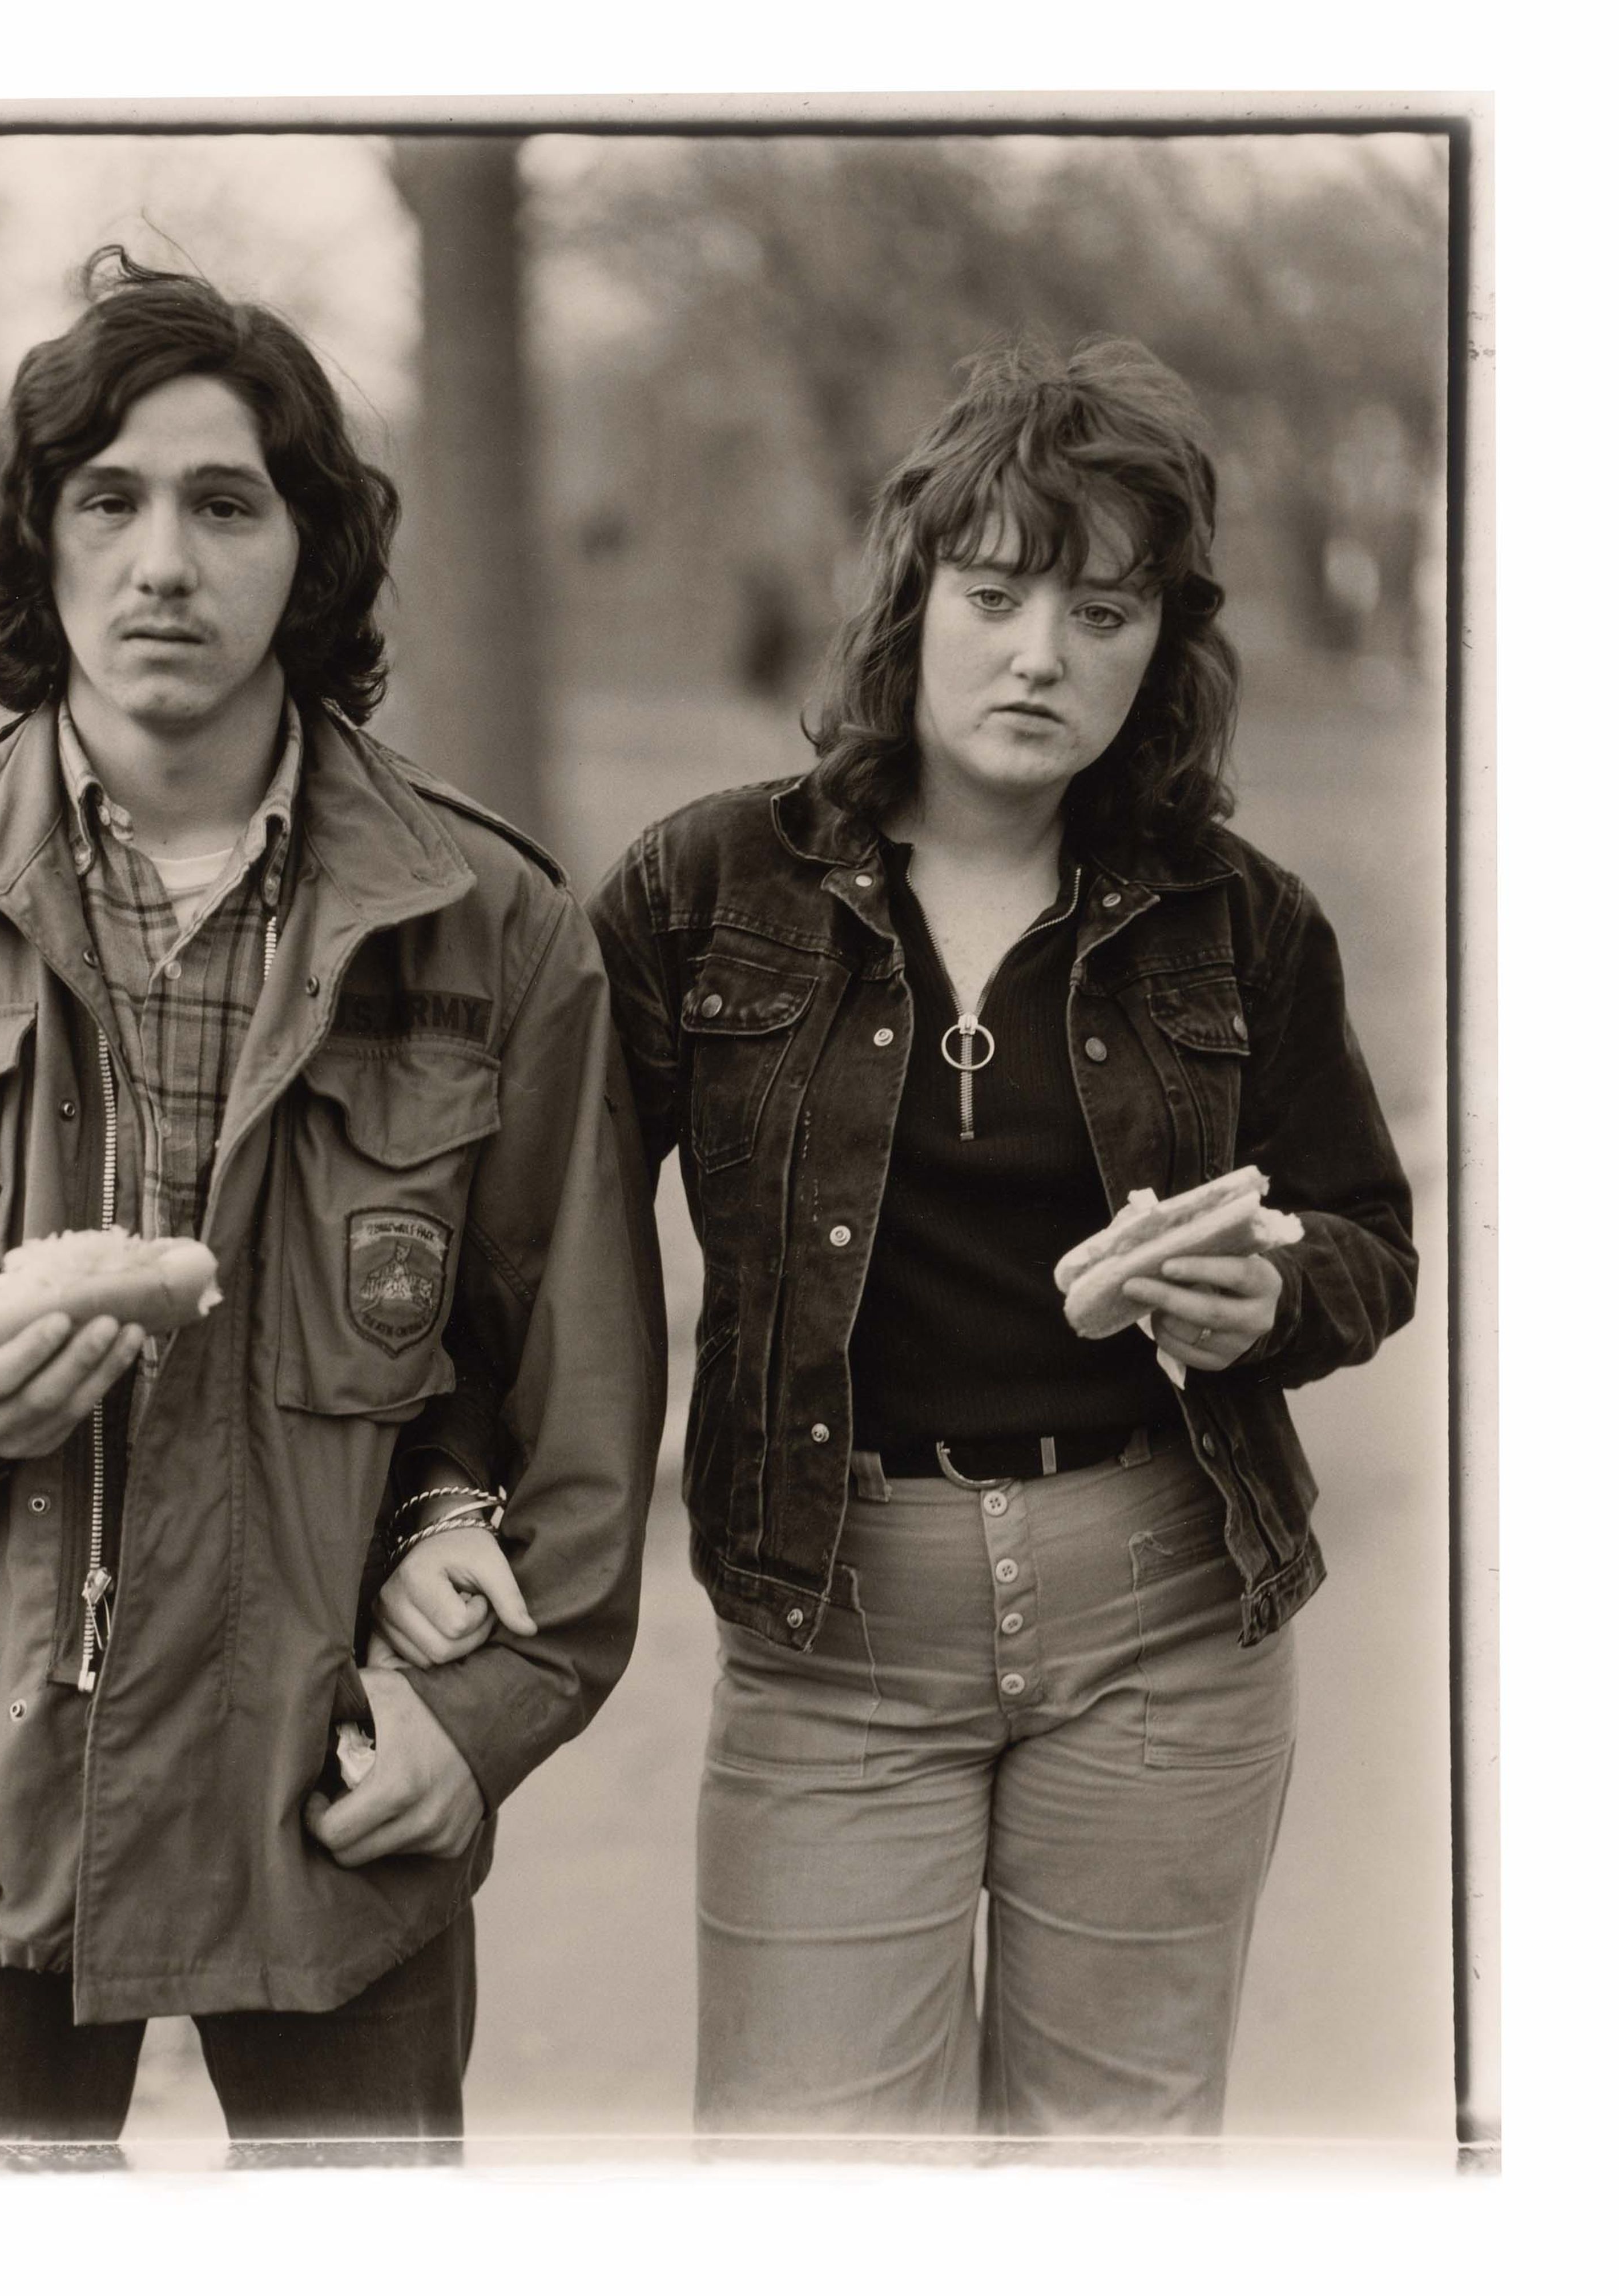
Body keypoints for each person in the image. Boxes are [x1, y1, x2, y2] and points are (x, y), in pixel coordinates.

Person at [0, 250, 663, 2150]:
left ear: (310, 553)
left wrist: (492, 1714)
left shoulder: (494, 930)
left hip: (347, 1774)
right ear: (36, 547)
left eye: (224, 502)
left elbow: (580, 1398)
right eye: (104, 500)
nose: (162, 562)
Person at [414, 336, 1416, 2136]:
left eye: (1106, 616)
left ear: (1162, 655)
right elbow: (529, 1248)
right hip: (835, 1620)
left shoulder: (1236, 919)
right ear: (911, 600)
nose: (1044, 653)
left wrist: (1266, 1293)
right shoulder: (704, 890)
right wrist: (447, 1492)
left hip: (1172, 1615)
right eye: (999, 591)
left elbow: (1366, 1238)